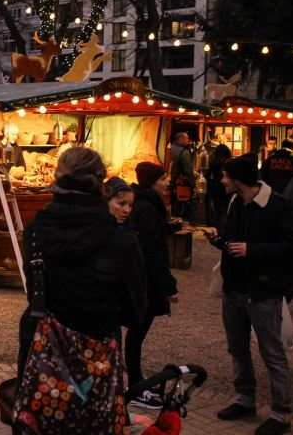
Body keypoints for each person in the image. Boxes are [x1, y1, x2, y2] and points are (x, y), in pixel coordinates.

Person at [17, 148, 146, 431]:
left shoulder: (36, 231)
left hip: (41, 351)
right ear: (100, 183)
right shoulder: (120, 240)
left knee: (42, 424)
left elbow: (35, 289)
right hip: (98, 350)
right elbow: (136, 311)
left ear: (58, 179)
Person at [205, 154, 293, 435]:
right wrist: (219, 241)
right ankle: (244, 398)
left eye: (225, 176)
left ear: (238, 180)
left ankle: (281, 413)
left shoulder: (280, 206)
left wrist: (253, 250)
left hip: (263, 291)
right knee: (237, 347)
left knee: (272, 352)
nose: (221, 180)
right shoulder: (237, 202)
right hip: (234, 289)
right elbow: (232, 238)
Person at [127, 162, 179, 409]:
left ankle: (130, 380)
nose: (167, 182)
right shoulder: (147, 207)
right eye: (163, 177)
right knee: (137, 331)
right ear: (152, 181)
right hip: (144, 280)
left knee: (135, 331)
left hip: (138, 277)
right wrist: (168, 286)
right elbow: (153, 251)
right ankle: (134, 383)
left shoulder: (142, 203)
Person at [169, 132, 195, 220]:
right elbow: (188, 170)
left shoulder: (170, 148)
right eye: (186, 139)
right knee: (183, 205)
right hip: (181, 183)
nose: (188, 141)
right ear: (180, 139)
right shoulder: (184, 152)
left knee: (172, 204)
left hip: (171, 180)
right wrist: (192, 184)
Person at [206, 144, 233, 228]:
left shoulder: (213, 162)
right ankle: (224, 227)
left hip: (215, 187)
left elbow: (208, 175)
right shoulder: (228, 162)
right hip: (226, 187)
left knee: (217, 209)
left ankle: (217, 227)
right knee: (225, 208)